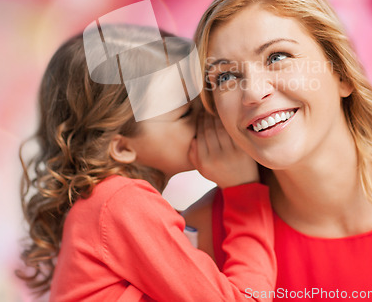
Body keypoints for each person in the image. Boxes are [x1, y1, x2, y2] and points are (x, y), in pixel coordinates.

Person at [185, 0, 372, 297]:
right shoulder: (201, 236)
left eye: (277, 57)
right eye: (226, 76)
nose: (253, 93)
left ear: (341, 73)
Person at [16, 24, 276, 301]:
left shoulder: (104, 204)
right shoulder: (122, 202)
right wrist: (243, 191)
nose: (208, 116)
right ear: (122, 146)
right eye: (187, 113)